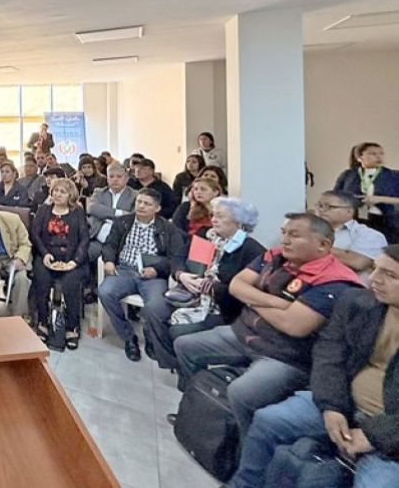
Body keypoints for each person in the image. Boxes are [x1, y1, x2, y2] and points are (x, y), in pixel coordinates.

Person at [173, 213, 364, 435]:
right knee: (185, 345)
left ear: (323, 245)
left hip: (286, 355)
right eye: (284, 233)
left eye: (294, 235)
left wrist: (251, 299)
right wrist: (277, 303)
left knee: (242, 393)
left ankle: (243, 441)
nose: (285, 240)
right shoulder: (275, 256)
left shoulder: (334, 281)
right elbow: (236, 286)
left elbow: (293, 325)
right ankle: (195, 409)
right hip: (245, 333)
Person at [228, 245, 399, 488]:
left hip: (390, 431)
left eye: (390, 275)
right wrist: (332, 407)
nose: (373, 279)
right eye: (375, 268)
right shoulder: (359, 303)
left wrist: (376, 436)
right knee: (268, 421)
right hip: (343, 403)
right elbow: (330, 355)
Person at [145, 197, 265, 371]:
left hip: (221, 307)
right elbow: (178, 257)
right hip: (188, 293)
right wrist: (182, 275)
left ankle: (185, 364)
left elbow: (244, 294)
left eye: (220, 216)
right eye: (213, 215)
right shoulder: (204, 235)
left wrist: (210, 287)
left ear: (239, 222)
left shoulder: (251, 250)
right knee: (153, 310)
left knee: (177, 331)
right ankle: (174, 362)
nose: (214, 220)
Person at [98, 189, 186, 361]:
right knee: (105, 292)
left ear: (157, 208)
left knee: (157, 305)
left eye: (147, 204)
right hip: (124, 270)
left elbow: (176, 258)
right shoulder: (123, 222)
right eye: (139, 202)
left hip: (153, 275)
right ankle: (128, 337)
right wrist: (108, 260)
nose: (141, 206)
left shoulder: (168, 228)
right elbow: (110, 245)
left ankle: (151, 335)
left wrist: (157, 270)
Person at [31, 179, 90, 349]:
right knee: (41, 280)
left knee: (70, 284)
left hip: (71, 258)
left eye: (62, 192)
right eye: (55, 190)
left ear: (71, 195)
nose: (57, 194)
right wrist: (45, 254)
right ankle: (42, 322)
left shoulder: (77, 212)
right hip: (47, 256)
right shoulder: (44, 210)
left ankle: (72, 327)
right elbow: (35, 234)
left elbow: (84, 239)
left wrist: (74, 262)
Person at [334, 142, 399, 243]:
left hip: (386, 222)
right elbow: (335, 196)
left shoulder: (394, 176)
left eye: (381, 153)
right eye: (373, 154)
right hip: (355, 220)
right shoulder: (348, 175)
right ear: (360, 157)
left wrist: (380, 199)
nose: (378, 157)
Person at [316, 190, 387, 276]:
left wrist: (313, 247)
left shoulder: (369, 234)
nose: (321, 210)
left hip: (348, 282)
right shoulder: (311, 230)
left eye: (328, 207)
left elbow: (359, 262)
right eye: (319, 206)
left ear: (349, 211)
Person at [86, 163, 138, 266]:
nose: (115, 179)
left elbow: (133, 216)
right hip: (97, 240)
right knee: (83, 254)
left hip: (121, 242)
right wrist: (119, 213)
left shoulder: (135, 195)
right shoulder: (99, 192)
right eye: (111, 176)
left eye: (119, 176)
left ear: (126, 178)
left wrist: (104, 215)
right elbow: (91, 208)